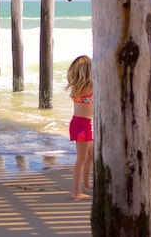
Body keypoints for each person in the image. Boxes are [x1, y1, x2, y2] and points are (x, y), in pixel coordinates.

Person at [66, 55, 93, 200]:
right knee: (81, 158)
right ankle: (75, 192)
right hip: (82, 125)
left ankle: (87, 184)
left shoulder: (78, 87)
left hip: (82, 123)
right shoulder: (88, 87)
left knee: (90, 156)